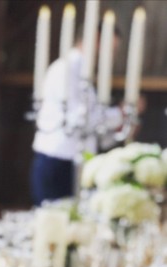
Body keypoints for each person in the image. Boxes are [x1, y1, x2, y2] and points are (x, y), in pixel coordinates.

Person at [31, 21, 124, 205]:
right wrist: (121, 114)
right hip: (57, 162)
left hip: (76, 162)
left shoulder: (82, 71)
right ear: (96, 40)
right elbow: (79, 120)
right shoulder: (68, 69)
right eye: (110, 49)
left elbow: (92, 132)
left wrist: (117, 128)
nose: (110, 57)